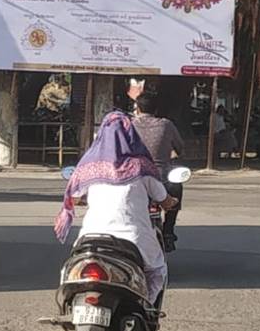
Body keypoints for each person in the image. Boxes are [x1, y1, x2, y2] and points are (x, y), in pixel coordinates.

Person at [54, 111, 176, 306]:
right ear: (131, 136)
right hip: (134, 239)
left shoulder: (89, 167)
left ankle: (65, 313)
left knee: (69, 272)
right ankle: (148, 308)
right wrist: (170, 202)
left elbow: (74, 198)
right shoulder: (141, 167)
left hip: (90, 237)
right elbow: (164, 199)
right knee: (158, 269)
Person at [131, 92, 185, 248]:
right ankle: (168, 230)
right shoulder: (166, 125)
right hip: (162, 177)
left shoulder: (130, 124)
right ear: (156, 110)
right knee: (176, 188)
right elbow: (180, 147)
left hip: (135, 176)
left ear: (138, 108)